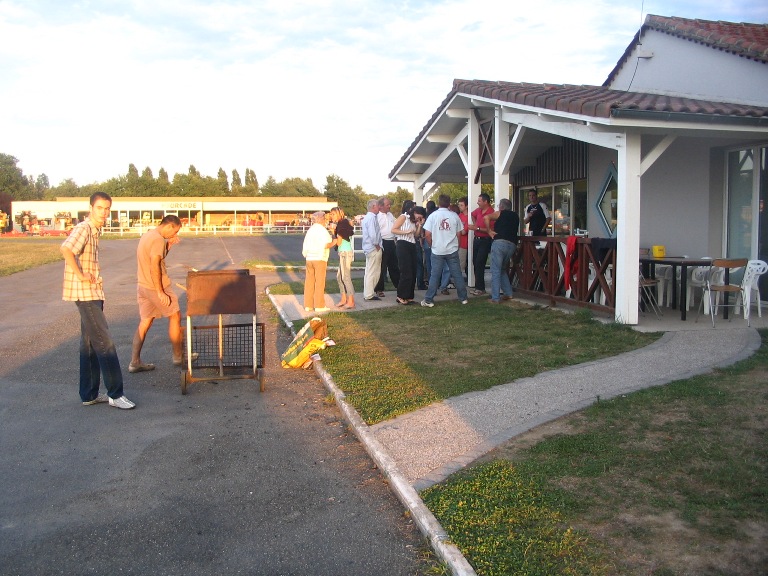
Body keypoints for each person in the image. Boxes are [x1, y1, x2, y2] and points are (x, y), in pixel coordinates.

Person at [60, 192, 135, 409]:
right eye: (100, 208)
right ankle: (115, 393)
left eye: (107, 208)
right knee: (104, 342)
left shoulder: (94, 230)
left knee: (90, 345)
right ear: (91, 207)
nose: (104, 212)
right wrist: (81, 275)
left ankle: (89, 394)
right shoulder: (83, 228)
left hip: (92, 292)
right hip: (86, 294)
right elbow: (66, 249)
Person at [130, 215, 185, 373]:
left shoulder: (148, 235)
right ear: (168, 226)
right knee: (175, 316)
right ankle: (178, 356)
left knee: (145, 322)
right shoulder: (158, 239)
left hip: (143, 286)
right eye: (174, 231)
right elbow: (155, 264)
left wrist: (169, 246)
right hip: (156, 286)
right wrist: (160, 291)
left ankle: (135, 362)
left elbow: (157, 257)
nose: (174, 235)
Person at [420, 194, 468, 307]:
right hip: (452, 249)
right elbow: (459, 233)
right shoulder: (455, 216)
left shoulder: (433, 216)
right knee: (457, 274)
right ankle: (463, 298)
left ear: (439, 202)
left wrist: (432, 245)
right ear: (449, 203)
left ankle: (429, 299)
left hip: (437, 250)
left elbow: (427, 234)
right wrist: (457, 245)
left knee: (435, 275)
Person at [485, 198, 520, 303]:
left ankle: (495, 297)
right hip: (512, 244)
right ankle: (508, 293)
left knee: (495, 270)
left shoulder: (499, 213)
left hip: (500, 243)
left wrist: (489, 231)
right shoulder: (515, 216)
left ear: (501, 206)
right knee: (502, 269)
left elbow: (486, 217)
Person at [391, 201, 423, 304]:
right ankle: (401, 296)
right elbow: (394, 229)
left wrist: (419, 226)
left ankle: (409, 296)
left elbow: (416, 235)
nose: (419, 218)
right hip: (402, 244)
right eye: (419, 216)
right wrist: (406, 232)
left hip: (411, 244)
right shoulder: (403, 217)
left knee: (413, 271)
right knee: (406, 271)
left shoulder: (413, 221)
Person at [302, 211, 334, 312]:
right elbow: (327, 244)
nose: (325, 220)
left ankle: (308, 305)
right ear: (321, 219)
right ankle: (319, 305)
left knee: (309, 281)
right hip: (319, 258)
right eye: (324, 218)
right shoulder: (322, 230)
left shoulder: (310, 230)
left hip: (309, 258)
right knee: (319, 282)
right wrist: (335, 241)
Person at [329, 207, 355, 309]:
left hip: (345, 252)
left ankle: (351, 301)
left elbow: (338, 242)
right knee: (339, 277)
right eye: (331, 214)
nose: (332, 216)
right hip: (343, 252)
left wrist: (332, 232)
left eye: (333, 214)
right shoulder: (342, 223)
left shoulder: (342, 224)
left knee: (345, 277)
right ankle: (344, 299)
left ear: (339, 214)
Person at [469, 193, 494, 296]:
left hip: (485, 239)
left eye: (479, 201)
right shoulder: (478, 210)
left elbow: (490, 230)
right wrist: (476, 224)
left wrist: (477, 228)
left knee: (480, 262)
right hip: (477, 239)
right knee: (475, 261)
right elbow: (472, 214)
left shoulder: (491, 213)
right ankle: (478, 286)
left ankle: (480, 288)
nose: (477, 203)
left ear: (485, 202)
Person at [375, 196, 400, 297]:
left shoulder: (390, 215)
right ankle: (379, 289)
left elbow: (396, 224)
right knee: (381, 267)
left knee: (394, 266)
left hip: (391, 242)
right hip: (383, 242)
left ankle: (399, 286)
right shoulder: (377, 216)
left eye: (389, 204)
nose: (389, 206)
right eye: (387, 205)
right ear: (380, 206)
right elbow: (376, 231)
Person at [361, 199, 382, 301]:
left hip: (369, 248)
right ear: (373, 206)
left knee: (369, 271)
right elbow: (373, 233)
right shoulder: (371, 218)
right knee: (373, 271)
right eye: (378, 206)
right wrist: (377, 244)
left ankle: (368, 292)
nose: (379, 207)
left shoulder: (367, 218)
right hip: (373, 248)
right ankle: (369, 294)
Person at [457, 197, 470, 280]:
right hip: (459, 243)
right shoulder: (459, 216)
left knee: (464, 264)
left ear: (467, 206)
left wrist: (458, 230)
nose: (460, 207)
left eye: (462, 205)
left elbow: (463, 232)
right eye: (459, 205)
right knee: (460, 263)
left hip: (466, 243)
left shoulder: (469, 217)